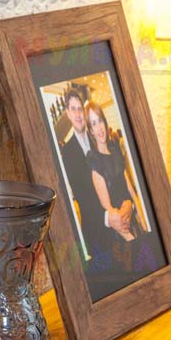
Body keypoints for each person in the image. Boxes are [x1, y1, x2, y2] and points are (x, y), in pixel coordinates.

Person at [85, 101, 148, 269]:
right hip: (120, 234)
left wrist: (145, 226)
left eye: (99, 120)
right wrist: (133, 241)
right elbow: (110, 212)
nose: (99, 127)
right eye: (93, 123)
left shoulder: (116, 152)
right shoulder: (94, 161)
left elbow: (131, 191)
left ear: (105, 122)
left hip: (133, 223)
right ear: (90, 131)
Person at [59, 89, 108, 256]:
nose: (78, 114)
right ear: (67, 113)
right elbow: (81, 196)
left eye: (80, 109)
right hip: (95, 230)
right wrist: (107, 216)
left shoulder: (97, 139)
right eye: (73, 109)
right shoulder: (67, 152)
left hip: (115, 221)